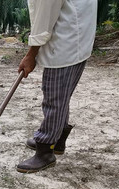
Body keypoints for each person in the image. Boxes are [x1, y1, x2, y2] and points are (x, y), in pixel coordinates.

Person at [16, 0, 97, 173]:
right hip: (78, 38)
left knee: (54, 99)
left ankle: (45, 151)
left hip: (65, 45)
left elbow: (43, 22)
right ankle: (58, 139)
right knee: (62, 95)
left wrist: (31, 54)